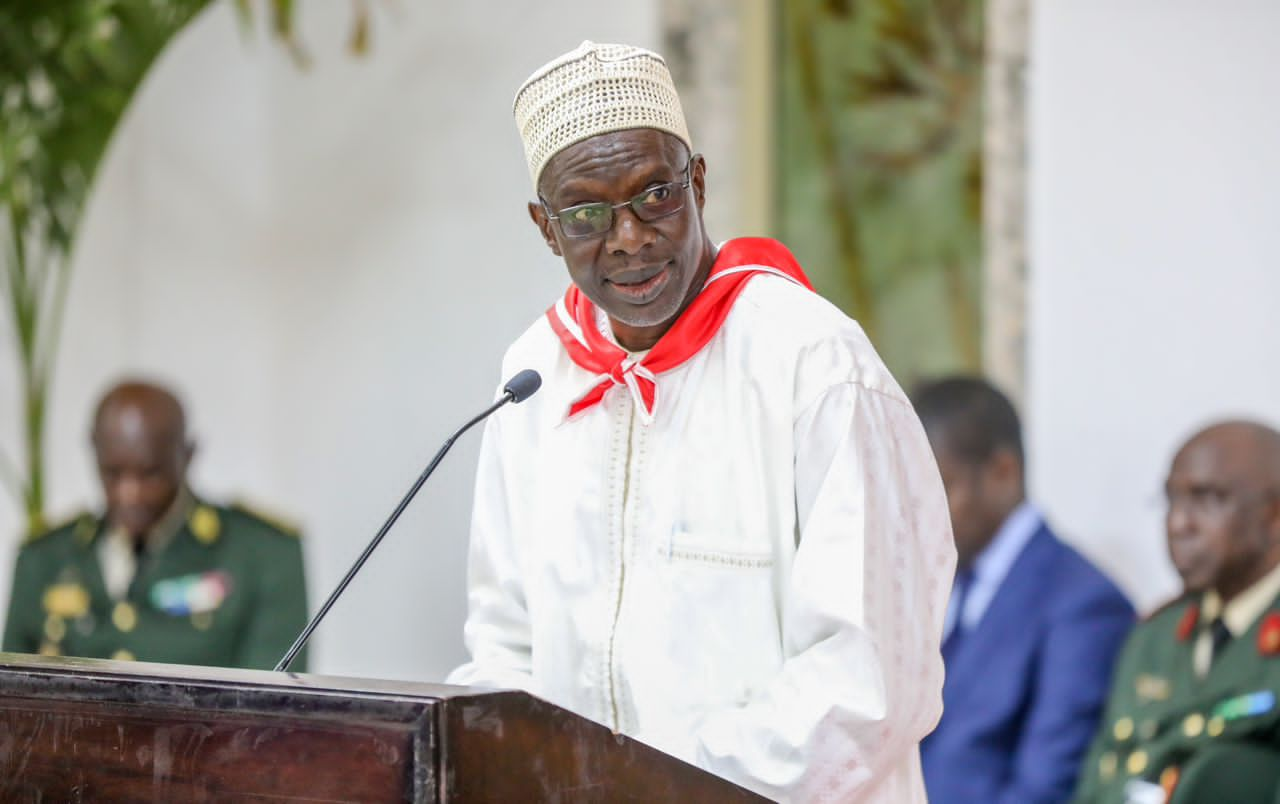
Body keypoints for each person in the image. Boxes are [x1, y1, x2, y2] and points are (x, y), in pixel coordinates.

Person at [445, 41, 955, 801]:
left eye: (655, 194)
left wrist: (649, 787)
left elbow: (870, 676)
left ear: (700, 183)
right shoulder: (534, 382)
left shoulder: (811, 362)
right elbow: (505, 644)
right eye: (587, 213)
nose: (629, 237)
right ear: (546, 229)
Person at [912, 376, 1134, 803]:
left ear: (1002, 472)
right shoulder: (940, 585)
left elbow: (1047, 787)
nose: (920, 513)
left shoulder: (1084, 604)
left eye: (938, 488)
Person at [2, 380, 309, 670]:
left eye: (149, 474)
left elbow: (273, 713)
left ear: (187, 455)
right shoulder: (44, 557)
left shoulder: (262, 555)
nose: (129, 493)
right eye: (112, 473)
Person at [1073, 421, 1280, 804]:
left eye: (1207, 499)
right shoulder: (1154, 636)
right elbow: (1096, 785)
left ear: (1273, 516)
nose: (1178, 523)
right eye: (1171, 500)